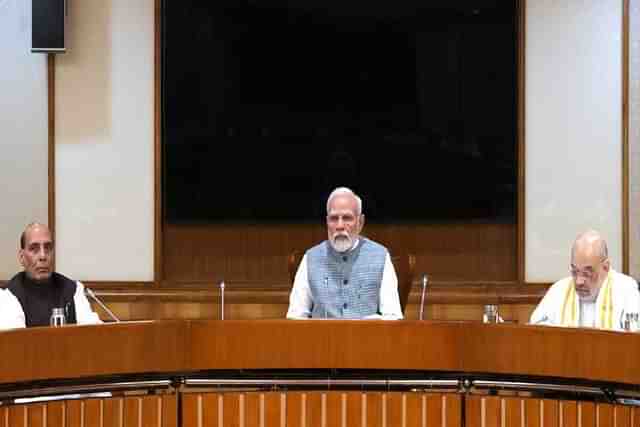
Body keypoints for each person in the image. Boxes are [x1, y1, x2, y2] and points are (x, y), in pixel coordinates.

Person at [286, 187, 403, 319]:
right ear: (327, 222)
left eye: (347, 218)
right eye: (334, 218)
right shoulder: (311, 258)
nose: (340, 225)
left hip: (366, 337)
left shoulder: (380, 256)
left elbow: (393, 316)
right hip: (322, 338)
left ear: (360, 222)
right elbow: (296, 316)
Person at [529, 230, 640, 330]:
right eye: (575, 271)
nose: (579, 281)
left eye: (587, 274)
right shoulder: (559, 290)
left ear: (605, 267)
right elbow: (536, 330)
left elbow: (632, 337)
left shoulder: (626, 290)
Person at [1, 223, 102, 329]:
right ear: (22, 257)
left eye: (48, 248)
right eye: (34, 249)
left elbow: (92, 332)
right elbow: (15, 340)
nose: (43, 256)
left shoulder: (72, 289)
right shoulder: (9, 295)